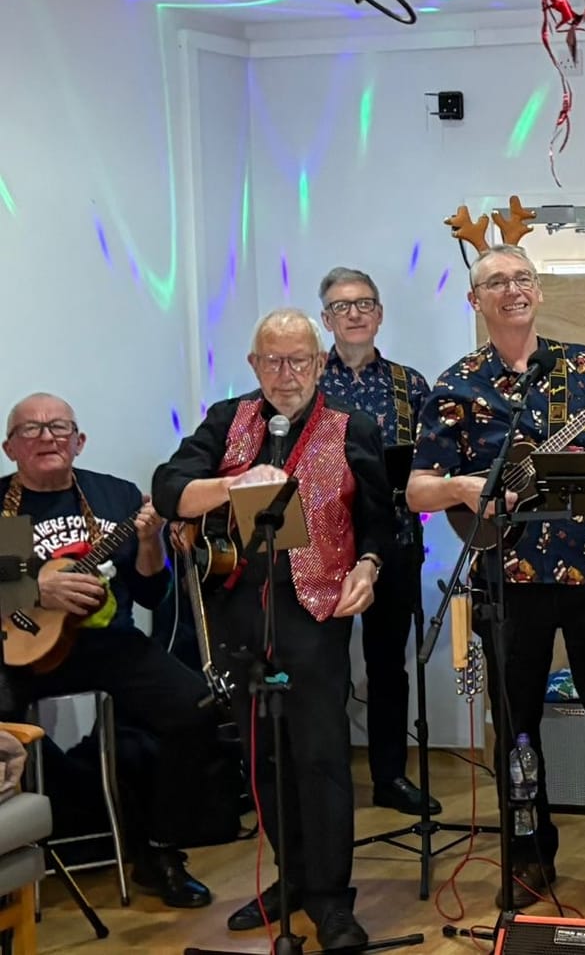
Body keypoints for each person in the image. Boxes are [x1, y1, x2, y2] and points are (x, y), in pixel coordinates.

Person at [405, 244, 585, 909]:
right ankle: (529, 854)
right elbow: (417, 489)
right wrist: (464, 486)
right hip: (508, 578)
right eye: (496, 282)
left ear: (539, 291)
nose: (513, 289)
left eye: (523, 277)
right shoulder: (457, 384)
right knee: (517, 730)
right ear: (476, 301)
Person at [153, 309, 390, 949]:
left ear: (320, 363)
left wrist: (369, 564)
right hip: (237, 605)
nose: (286, 374)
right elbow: (169, 488)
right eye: (273, 361)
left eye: (299, 361)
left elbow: (379, 521)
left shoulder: (354, 427)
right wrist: (234, 483)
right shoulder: (227, 421)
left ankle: (332, 900)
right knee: (262, 757)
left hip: (314, 612)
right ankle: (292, 877)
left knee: (319, 757)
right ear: (255, 365)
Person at [0, 393, 215, 908]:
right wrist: (36, 590)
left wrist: (148, 544)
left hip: (108, 643)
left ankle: (160, 851)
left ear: (79, 441)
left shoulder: (115, 497)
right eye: (31, 430)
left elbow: (148, 593)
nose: (47, 437)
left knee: (195, 705)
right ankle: (7, 870)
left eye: (59, 427)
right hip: (16, 649)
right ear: (10, 448)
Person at [314, 265, 440, 818]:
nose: (355, 313)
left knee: (389, 663)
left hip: (396, 539)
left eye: (364, 303)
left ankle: (390, 776)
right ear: (326, 319)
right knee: (323, 664)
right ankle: (326, 779)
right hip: (321, 547)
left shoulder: (410, 385)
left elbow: (434, 461)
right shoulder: (307, 381)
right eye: (342, 306)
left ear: (380, 313)